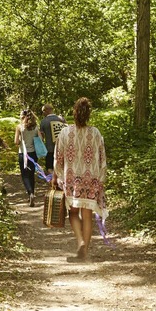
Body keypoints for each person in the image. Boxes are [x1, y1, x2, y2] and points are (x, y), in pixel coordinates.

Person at [53, 97, 106, 263]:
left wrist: (57, 175)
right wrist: (101, 178)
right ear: (88, 114)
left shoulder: (65, 132)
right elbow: (102, 157)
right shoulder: (95, 133)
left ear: (74, 113)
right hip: (91, 179)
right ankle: (86, 252)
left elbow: (58, 157)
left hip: (72, 179)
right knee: (87, 215)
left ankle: (81, 242)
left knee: (73, 213)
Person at [14, 109, 41, 206]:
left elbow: (16, 142)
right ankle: (32, 193)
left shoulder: (19, 127)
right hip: (33, 154)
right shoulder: (36, 127)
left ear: (23, 116)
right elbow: (40, 140)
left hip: (23, 154)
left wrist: (21, 139)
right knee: (31, 174)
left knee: (24, 175)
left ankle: (30, 193)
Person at [38, 103, 66, 174]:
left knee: (50, 167)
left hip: (49, 149)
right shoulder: (61, 119)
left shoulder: (44, 121)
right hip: (62, 148)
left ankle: (53, 182)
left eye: (43, 111)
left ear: (46, 111)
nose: (43, 113)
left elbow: (41, 136)